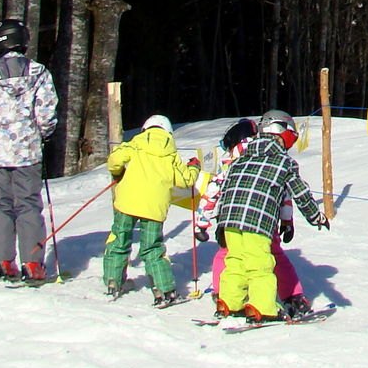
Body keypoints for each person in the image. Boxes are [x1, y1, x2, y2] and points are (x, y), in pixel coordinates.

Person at [211, 110, 329, 322]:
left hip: (230, 220)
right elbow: (300, 193)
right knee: (260, 264)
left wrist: (220, 224)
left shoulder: (241, 160)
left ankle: (229, 302)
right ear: (281, 131)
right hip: (257, 222)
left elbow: (227, 189)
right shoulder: (283, 162)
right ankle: (262, 308)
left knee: (235, 260)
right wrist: (316, 217)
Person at [0, 19, 57, 284]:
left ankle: (4, 261)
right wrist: (43, 133)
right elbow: (47, 113)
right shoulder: (39, 72)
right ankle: (33, 264)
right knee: (28, 204)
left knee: (1, 204)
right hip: (27, 149)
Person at [102, 115, 201, 307]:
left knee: (118, 239)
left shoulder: (134, 143)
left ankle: (113, 283)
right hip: (154, 208)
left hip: (127, 203)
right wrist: (194, 167)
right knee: (152, 248)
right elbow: (186, 180)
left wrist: (118, 173)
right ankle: (164, 290)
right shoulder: (170, 154)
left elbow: (114, 160)